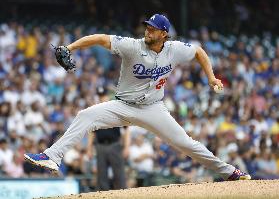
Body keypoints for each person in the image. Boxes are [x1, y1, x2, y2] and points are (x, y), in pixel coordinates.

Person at [24, 14, 251, 181]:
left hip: (154, 108)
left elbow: (199, 52)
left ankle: (230, 172)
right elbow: (101, 38)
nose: (148, 31)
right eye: (147, 27)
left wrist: (211, 78)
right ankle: (51, 156)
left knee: (186, 144)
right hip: (123, 106)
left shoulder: (174, 49)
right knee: (86, 115)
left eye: (153, 29)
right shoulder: (132, 46)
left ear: (164, 33)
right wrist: (70, 47)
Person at [86, 86, 130, 190]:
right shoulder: (95, 112)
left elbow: (127, 129)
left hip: (114, 145)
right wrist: (89, 148)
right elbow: (92, 132)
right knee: (101, 177)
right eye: (100, 96)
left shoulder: (115, 110)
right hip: (100, 146)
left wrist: (127, 146)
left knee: (119, 176)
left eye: (103, 95)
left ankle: (123, 196)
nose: (102, 98)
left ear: (108, 96)